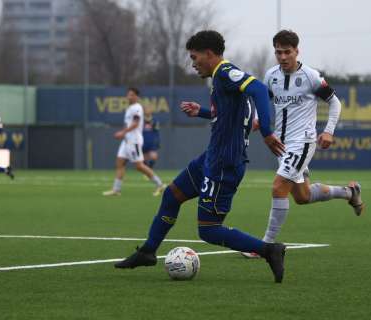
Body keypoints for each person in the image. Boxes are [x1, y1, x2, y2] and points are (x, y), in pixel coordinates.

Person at [115, 30, 289, 283]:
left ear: (209, 54)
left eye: (194, 57)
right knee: (172, 194)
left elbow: (261, 90)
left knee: (208, 230)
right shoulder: (222, 79)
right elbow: (232, 114)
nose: (192, 63)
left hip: (225, 164)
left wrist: (267, 132)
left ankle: (269, 250)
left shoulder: (227, 73)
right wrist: (204, 112)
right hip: (212, 158)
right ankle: (148, 252)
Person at [242, 30, 364, 258]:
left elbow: (335, 103)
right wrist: (259, 119)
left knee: (278, 187)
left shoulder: (310, 76)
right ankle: (349, 193)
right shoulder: (271, 75)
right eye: (278, 52)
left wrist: (328, 131)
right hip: (281, 144)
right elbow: (264, 101)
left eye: (287, 52)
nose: (283, 57)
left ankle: (264, 247)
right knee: (302, 196)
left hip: (303, 142)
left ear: (297, 51)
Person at [103, 88, 166, 197]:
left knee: (139, 166)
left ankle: (160, 184)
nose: (129, 97)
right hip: (127, 141)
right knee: (120, 163)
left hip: (134, 141)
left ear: (137, 97)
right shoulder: (130, 108)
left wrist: (122, 132)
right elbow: (129, 123)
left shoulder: (137, 107)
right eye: (128, 95)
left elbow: (136, 123)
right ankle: (116, 190)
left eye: (132, 95)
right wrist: (124, 134)